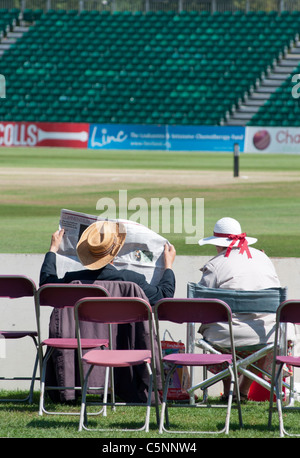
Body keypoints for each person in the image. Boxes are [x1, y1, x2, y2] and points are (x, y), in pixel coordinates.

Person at [197, 216, 281, 401]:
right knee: (262, 336)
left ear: (218, 243)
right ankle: (242, 391)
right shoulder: (263, 258)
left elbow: (201, 304)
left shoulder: (215, 264)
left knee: (219, 329)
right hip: (266, 334)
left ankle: (229, 391)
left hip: (227, 336)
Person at [40, 220, 176, 306]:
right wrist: (168, 266)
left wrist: (53, 249)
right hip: (123, 345)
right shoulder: (133, 281)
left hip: (82, 345)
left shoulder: (73, 280)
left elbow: (46, 289)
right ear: (115, 252)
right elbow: (163, 297)